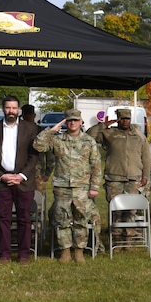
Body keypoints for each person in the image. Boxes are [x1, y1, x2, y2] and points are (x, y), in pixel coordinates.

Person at [33, 109, 102, 262]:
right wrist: (51, 131)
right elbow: (38, 146)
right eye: (69, 120)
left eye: (75, 120)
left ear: (81, 122)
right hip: (62, 187)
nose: (72, 123)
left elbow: (96, 165)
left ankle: (78, 251)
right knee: (62, 219)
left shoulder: (88, 141)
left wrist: (94, 187)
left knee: (81, 219)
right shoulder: (57, 140)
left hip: (81, 187)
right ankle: (65, 250)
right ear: (65, 122)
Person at [0, 95, 41, 265]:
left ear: (19, 110)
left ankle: (24, 255)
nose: (11, 111)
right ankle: (5, 255)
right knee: (3, 218)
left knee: (24, 218)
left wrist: (21, 176)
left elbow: (34, 156)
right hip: (2, 180)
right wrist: (1, 175)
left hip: (24, 181)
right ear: (3, 109)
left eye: (14, 108)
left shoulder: (30, 129)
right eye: (8, 108)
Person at [89, 108, 151, 246]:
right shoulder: (109, 134)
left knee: (130, 210)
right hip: (114, 178)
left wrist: (146, 175)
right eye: (122, 119)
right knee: (116, 210)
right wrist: (104, 125)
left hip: (134, 177)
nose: (125, 121)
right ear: (118, 119)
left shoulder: (138, 135)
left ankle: (128, 240)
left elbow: (146, 157)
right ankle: (117, 241)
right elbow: (89, 135)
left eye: (127, 119)